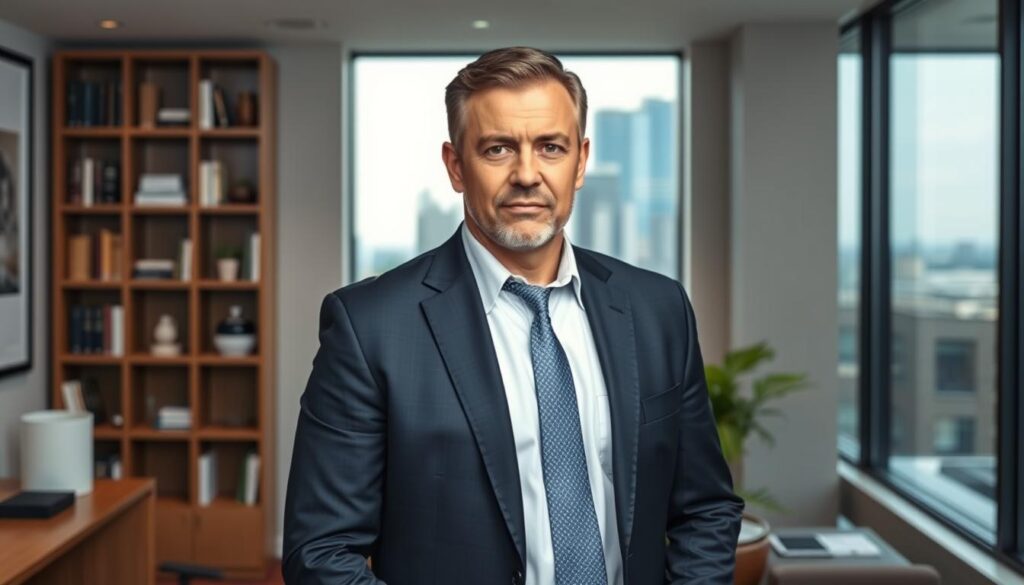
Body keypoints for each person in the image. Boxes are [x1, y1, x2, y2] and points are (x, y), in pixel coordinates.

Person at [283, 46, 744, 585]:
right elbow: (322, 552)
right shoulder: (370, 329)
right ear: (456, 166)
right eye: (498, 149)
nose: (528, 174)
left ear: (581, 161)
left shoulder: (659, 310)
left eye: (551, 147)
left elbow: (705, 510)